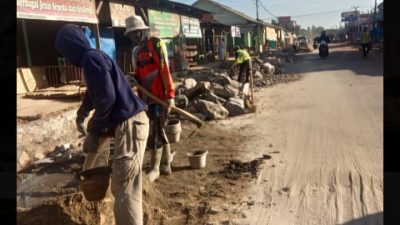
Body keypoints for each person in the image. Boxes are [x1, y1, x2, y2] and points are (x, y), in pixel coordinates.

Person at [55, 24, 149, 225]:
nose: (67, 59)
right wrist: (82, 114)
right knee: (125, 186)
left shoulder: (91, 59)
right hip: (130, 124)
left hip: (130, 124)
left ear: (72, 46)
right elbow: (94, 92)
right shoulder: (93, 57)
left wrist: (95, 132)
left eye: (65, 52)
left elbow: (106, 98)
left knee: (124, 187)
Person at [124, 15, 176, 183]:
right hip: (147, 98)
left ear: (144, 30)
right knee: (159, 129)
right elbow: (139, 75)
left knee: (155, 131)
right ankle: (166, 165)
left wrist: (170, 95)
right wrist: (132, 78)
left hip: (160, 97)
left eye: (137, 32)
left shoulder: (156, 44)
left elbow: (164, 69)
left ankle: (155, 168)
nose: (135, 36)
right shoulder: (136, 52)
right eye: (132, 34)